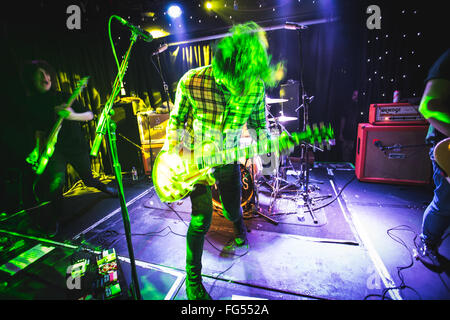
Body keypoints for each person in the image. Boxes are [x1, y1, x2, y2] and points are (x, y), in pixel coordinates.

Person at [161, 22, 284, 300]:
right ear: (221, 67)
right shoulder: (192, 80)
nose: (236, 91)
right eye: (232, 83)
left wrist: (265, 150)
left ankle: (240, 232)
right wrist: (174, 158)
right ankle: (193, 280)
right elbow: (176, 123)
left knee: (232, 210)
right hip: (196, 163)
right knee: (200, 220)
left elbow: (259, 125)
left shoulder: (254, 87)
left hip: (227, 159)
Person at [20, 60, 118, 237]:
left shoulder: (64, 96)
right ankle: (55, 220)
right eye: (39, 75)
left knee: (88, 179)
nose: (45, 77)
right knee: (56, 184)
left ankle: (105, 189)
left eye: (46, 73)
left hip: (75, 146)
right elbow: (39, 132)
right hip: (55, 150)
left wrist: (72, 116)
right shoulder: (33, 104)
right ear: (32, 81)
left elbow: (89, 115)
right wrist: (37, 149)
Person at [417, 48, 450, 268]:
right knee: (446, 202)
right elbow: (427, 107)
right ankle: (427, 242)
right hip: (445, 145)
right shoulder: (446, 63)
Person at [339, 89, 360, 163]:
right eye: (354, 95)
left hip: (355, 135)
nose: (356, 97)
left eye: (357, 96)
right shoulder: (348, 106)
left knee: (351, 152)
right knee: (345, 152)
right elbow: (343, 120)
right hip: (346, 133)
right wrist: (341, 133)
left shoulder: (360, 107)